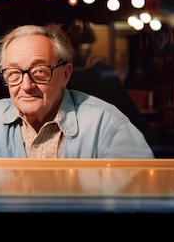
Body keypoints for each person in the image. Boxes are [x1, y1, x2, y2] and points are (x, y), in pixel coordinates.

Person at [0, 24, 154, 158]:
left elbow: (142, 198)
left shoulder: (107, 125)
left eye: (39, 72)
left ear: (65, 74)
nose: (26, 85)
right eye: (13, 73)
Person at [63, 19, 165, 154]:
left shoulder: (63, 78)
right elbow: (133, 117)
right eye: (84, 46)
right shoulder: (102, 75)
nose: (86, 51)